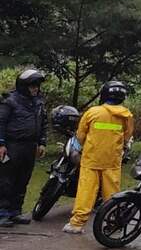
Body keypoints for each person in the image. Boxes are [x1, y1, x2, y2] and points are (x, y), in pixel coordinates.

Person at [63, 81, 133, 234]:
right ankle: (114, 221)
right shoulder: (126, 115)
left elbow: (80, 135)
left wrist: (77, 149)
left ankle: (77, 224)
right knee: (112, 194)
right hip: (112, 160)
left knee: (86, 192)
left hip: (91, 159)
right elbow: (127, 137)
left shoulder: (93, 112)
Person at [0, 69, 48, 227]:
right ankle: (3, 213)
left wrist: (42, 142)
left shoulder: (38, 102)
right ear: (23, 86)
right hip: (13, 145)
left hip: (30, 145)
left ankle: (15, 211)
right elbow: (1, 122)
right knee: (7, 180)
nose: (35, 89)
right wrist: (1, 144)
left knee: (23, 179)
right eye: (32, 86)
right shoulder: (10, 101)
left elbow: (43, 123)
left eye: (37, 86)